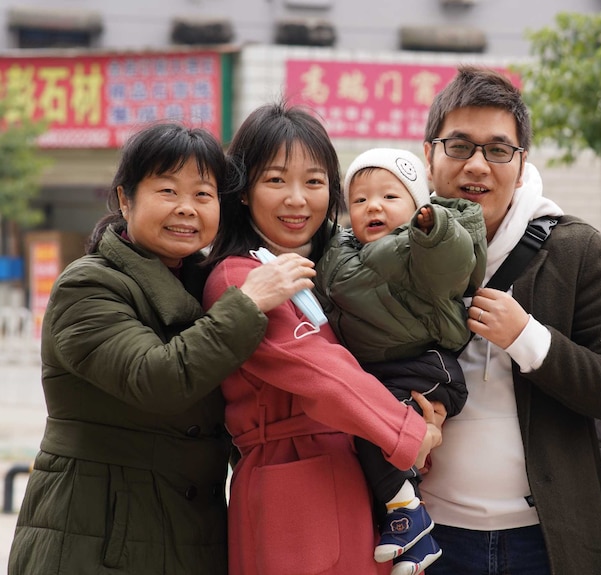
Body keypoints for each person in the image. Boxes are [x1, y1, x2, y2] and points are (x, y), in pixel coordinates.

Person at [8, 122, 309, 575]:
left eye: (204, 195)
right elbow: (158, 379)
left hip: (191, 534)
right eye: (168, 191)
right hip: (94, 535)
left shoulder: (204, 284)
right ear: (126, 199)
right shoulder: (87, 285)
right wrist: (247, 302)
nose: (186, 209)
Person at [417, 65, 601, 574]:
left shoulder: (575, 249)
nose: (478, 165)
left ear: (521, 166)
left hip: (545, 542)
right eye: (459, 146)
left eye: (498, 150)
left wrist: (528, 339)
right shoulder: (393, 247)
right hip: (425, 537)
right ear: (428, 155)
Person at [202, 103, 442, 575]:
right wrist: (408, 432)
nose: (297, 199)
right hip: (295, 491)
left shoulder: (330, 269)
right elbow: (319, 373)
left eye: (313, 182)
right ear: (244, 192)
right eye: (275, 180)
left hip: (346, 477)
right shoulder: (241, 276)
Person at [315, 147, 486, 574]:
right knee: (363, 438)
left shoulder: (419, 248)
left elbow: (452, 262)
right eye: (359, 200)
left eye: (389, 197)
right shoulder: (339, 253)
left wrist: (434, 228)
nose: (373, 206)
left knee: (378, 430)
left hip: (424, 368)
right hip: (382, 371)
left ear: (416, 205)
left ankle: (407, 513)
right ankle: (410, 536)